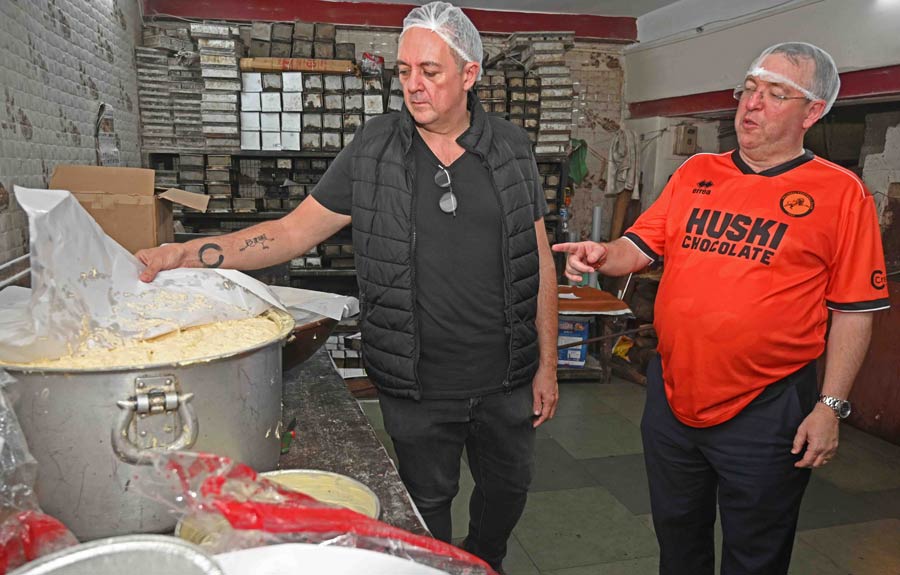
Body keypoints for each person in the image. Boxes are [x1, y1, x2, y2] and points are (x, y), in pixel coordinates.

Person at [137, 2, 558, 571]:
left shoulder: (511, 150)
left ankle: (487, 563)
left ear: (469, 74)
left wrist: (547, 365)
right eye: (404, 71)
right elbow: (288, 233)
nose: (413, 85)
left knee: (506, 496)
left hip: (506, 378)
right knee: (426, 507)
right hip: (416, 384)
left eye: (430, 72)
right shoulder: (374, 148)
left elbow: (539, 262)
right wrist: (190, 253)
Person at [554, 42, 889, 575]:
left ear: (814, 112)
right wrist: (602, 254)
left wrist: (830, 406)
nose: (752, 105)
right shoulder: (695, 173)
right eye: (750, 89)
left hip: (767, 407)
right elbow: (638, 248)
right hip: (673, 395)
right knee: (677, 538)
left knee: (755, 553)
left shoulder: (841, 194)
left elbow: (855, 310)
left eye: (776, 94)